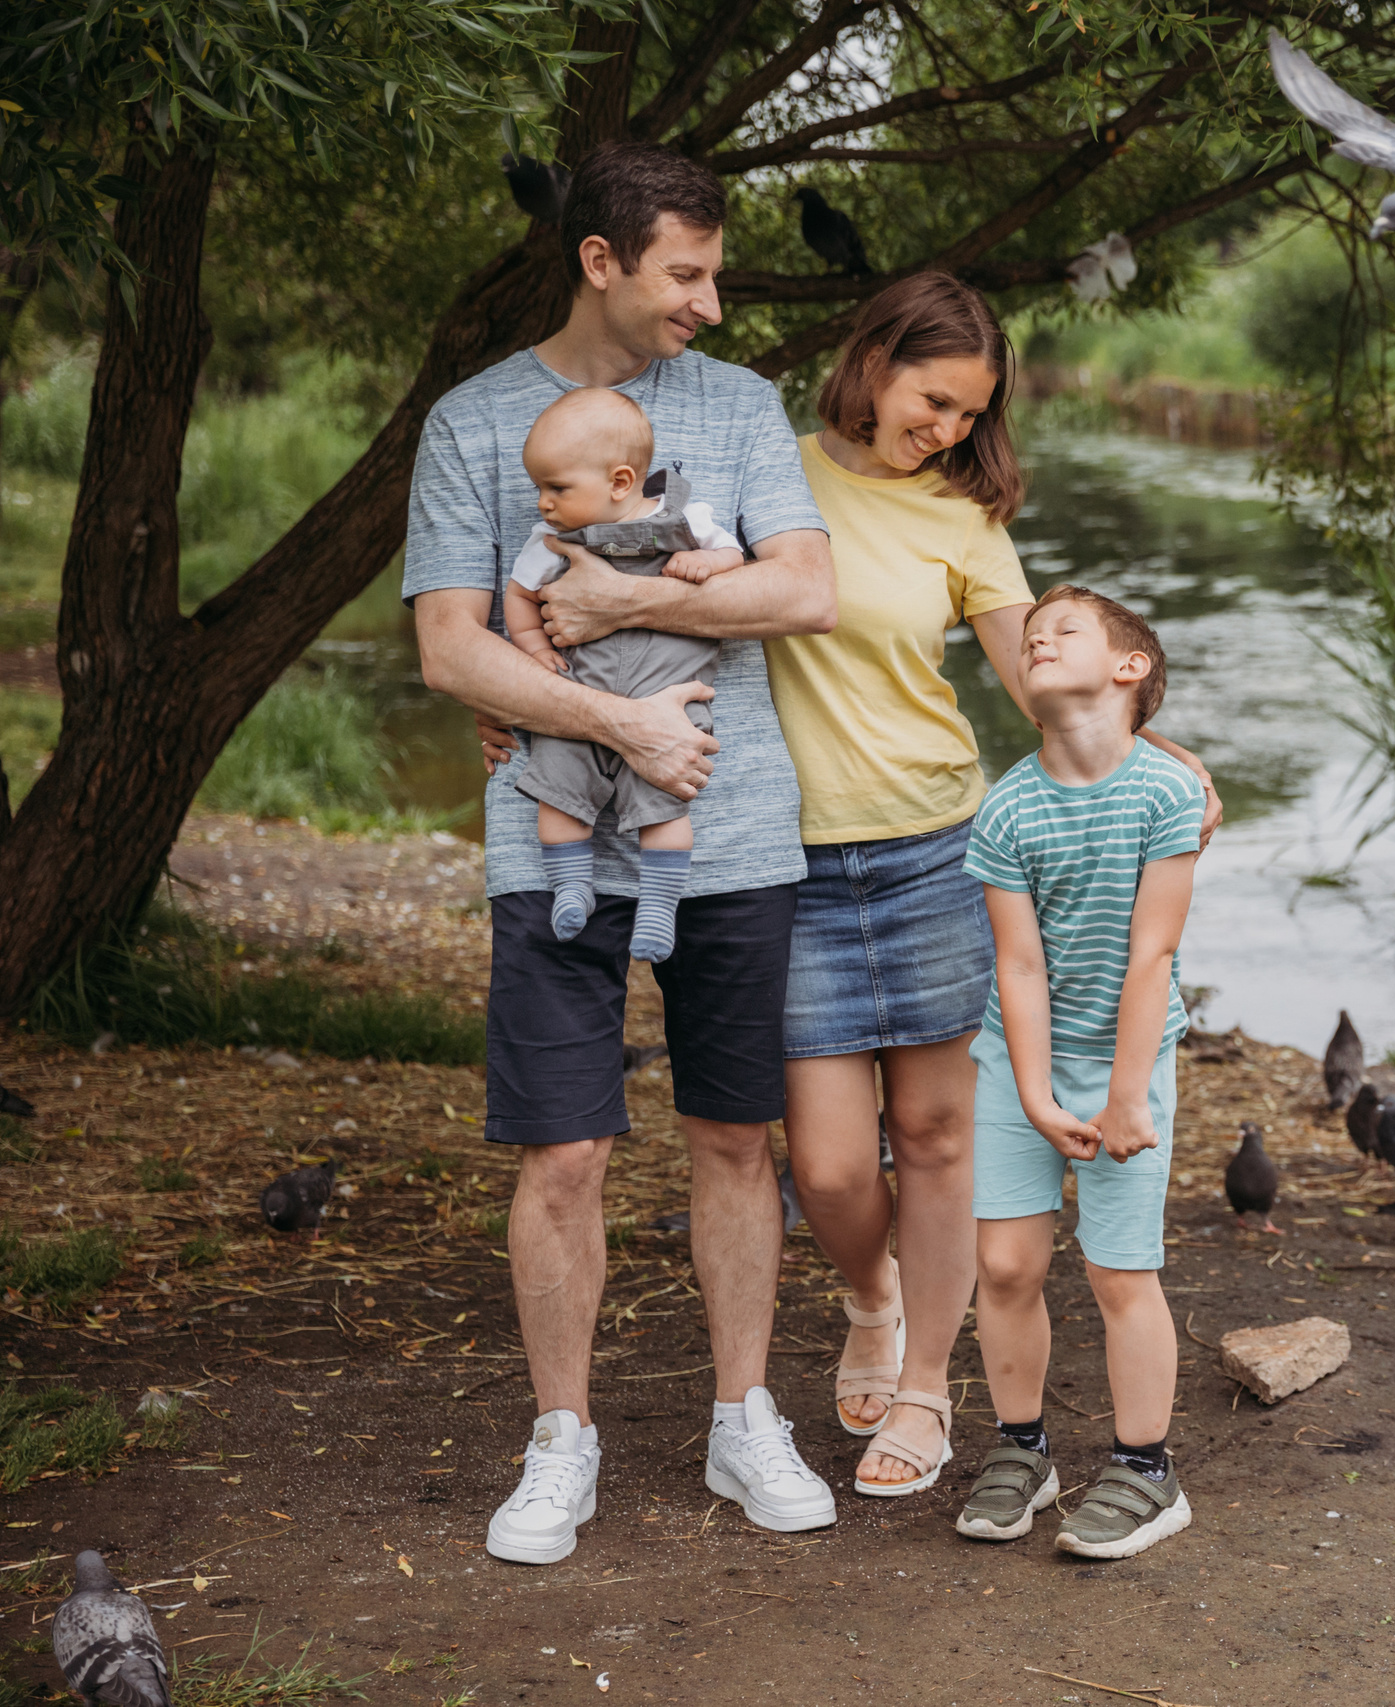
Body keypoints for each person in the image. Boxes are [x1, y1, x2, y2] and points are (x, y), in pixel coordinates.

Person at [404, 140, 841, 1565]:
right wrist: (619, 722)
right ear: (602, 260)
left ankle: (740, 1414)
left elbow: (807, 586)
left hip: (740, 833)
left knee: (735, 1135)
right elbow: (447, 643)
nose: (710, 304)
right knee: (566, 1149)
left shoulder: (745, 407)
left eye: (713, 273)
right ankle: (561, 1439)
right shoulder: (475, 423)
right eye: (687, 274)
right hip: (558, 841)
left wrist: (616, 607)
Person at [762, 272, 1220, 1498]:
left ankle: (927, 1393)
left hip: (932, 841)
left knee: (938, 1132)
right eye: (935, 399)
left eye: (972, 412)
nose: (951, 430)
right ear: (870, 360)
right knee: (833, 1166)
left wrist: (1166, 762)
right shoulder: (771, 465)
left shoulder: (960, 519)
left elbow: (1047, 682)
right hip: (789, 856)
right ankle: (874, 1297)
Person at [955, 585, 1203, 1559]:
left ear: (1128, 668)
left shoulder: (1167, 791)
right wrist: (1032, 1095)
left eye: (1065, 632)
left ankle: (1148, 1470)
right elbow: (1015, 966)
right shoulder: (1008, 809)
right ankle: (1023, 1451)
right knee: (1007, 1264)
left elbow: (1153, 956)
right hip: (1021, 1061)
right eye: (1030, 638)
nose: (1038, 642)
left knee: (1116, 1268)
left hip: (1127, 1061)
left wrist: (1125, 1094)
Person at [502, 385, 748, 961]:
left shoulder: (687, 518)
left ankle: (658, 906)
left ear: (619, 481)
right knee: (557, 793)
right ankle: (570, 886)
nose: (543, 503)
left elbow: (736, 557)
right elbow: (519, 595)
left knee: (666, 802)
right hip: (580, 701)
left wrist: (707, 561)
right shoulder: (554, 542)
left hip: (669, 702)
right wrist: (536, 650)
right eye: (540, 487)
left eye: (556, 488)